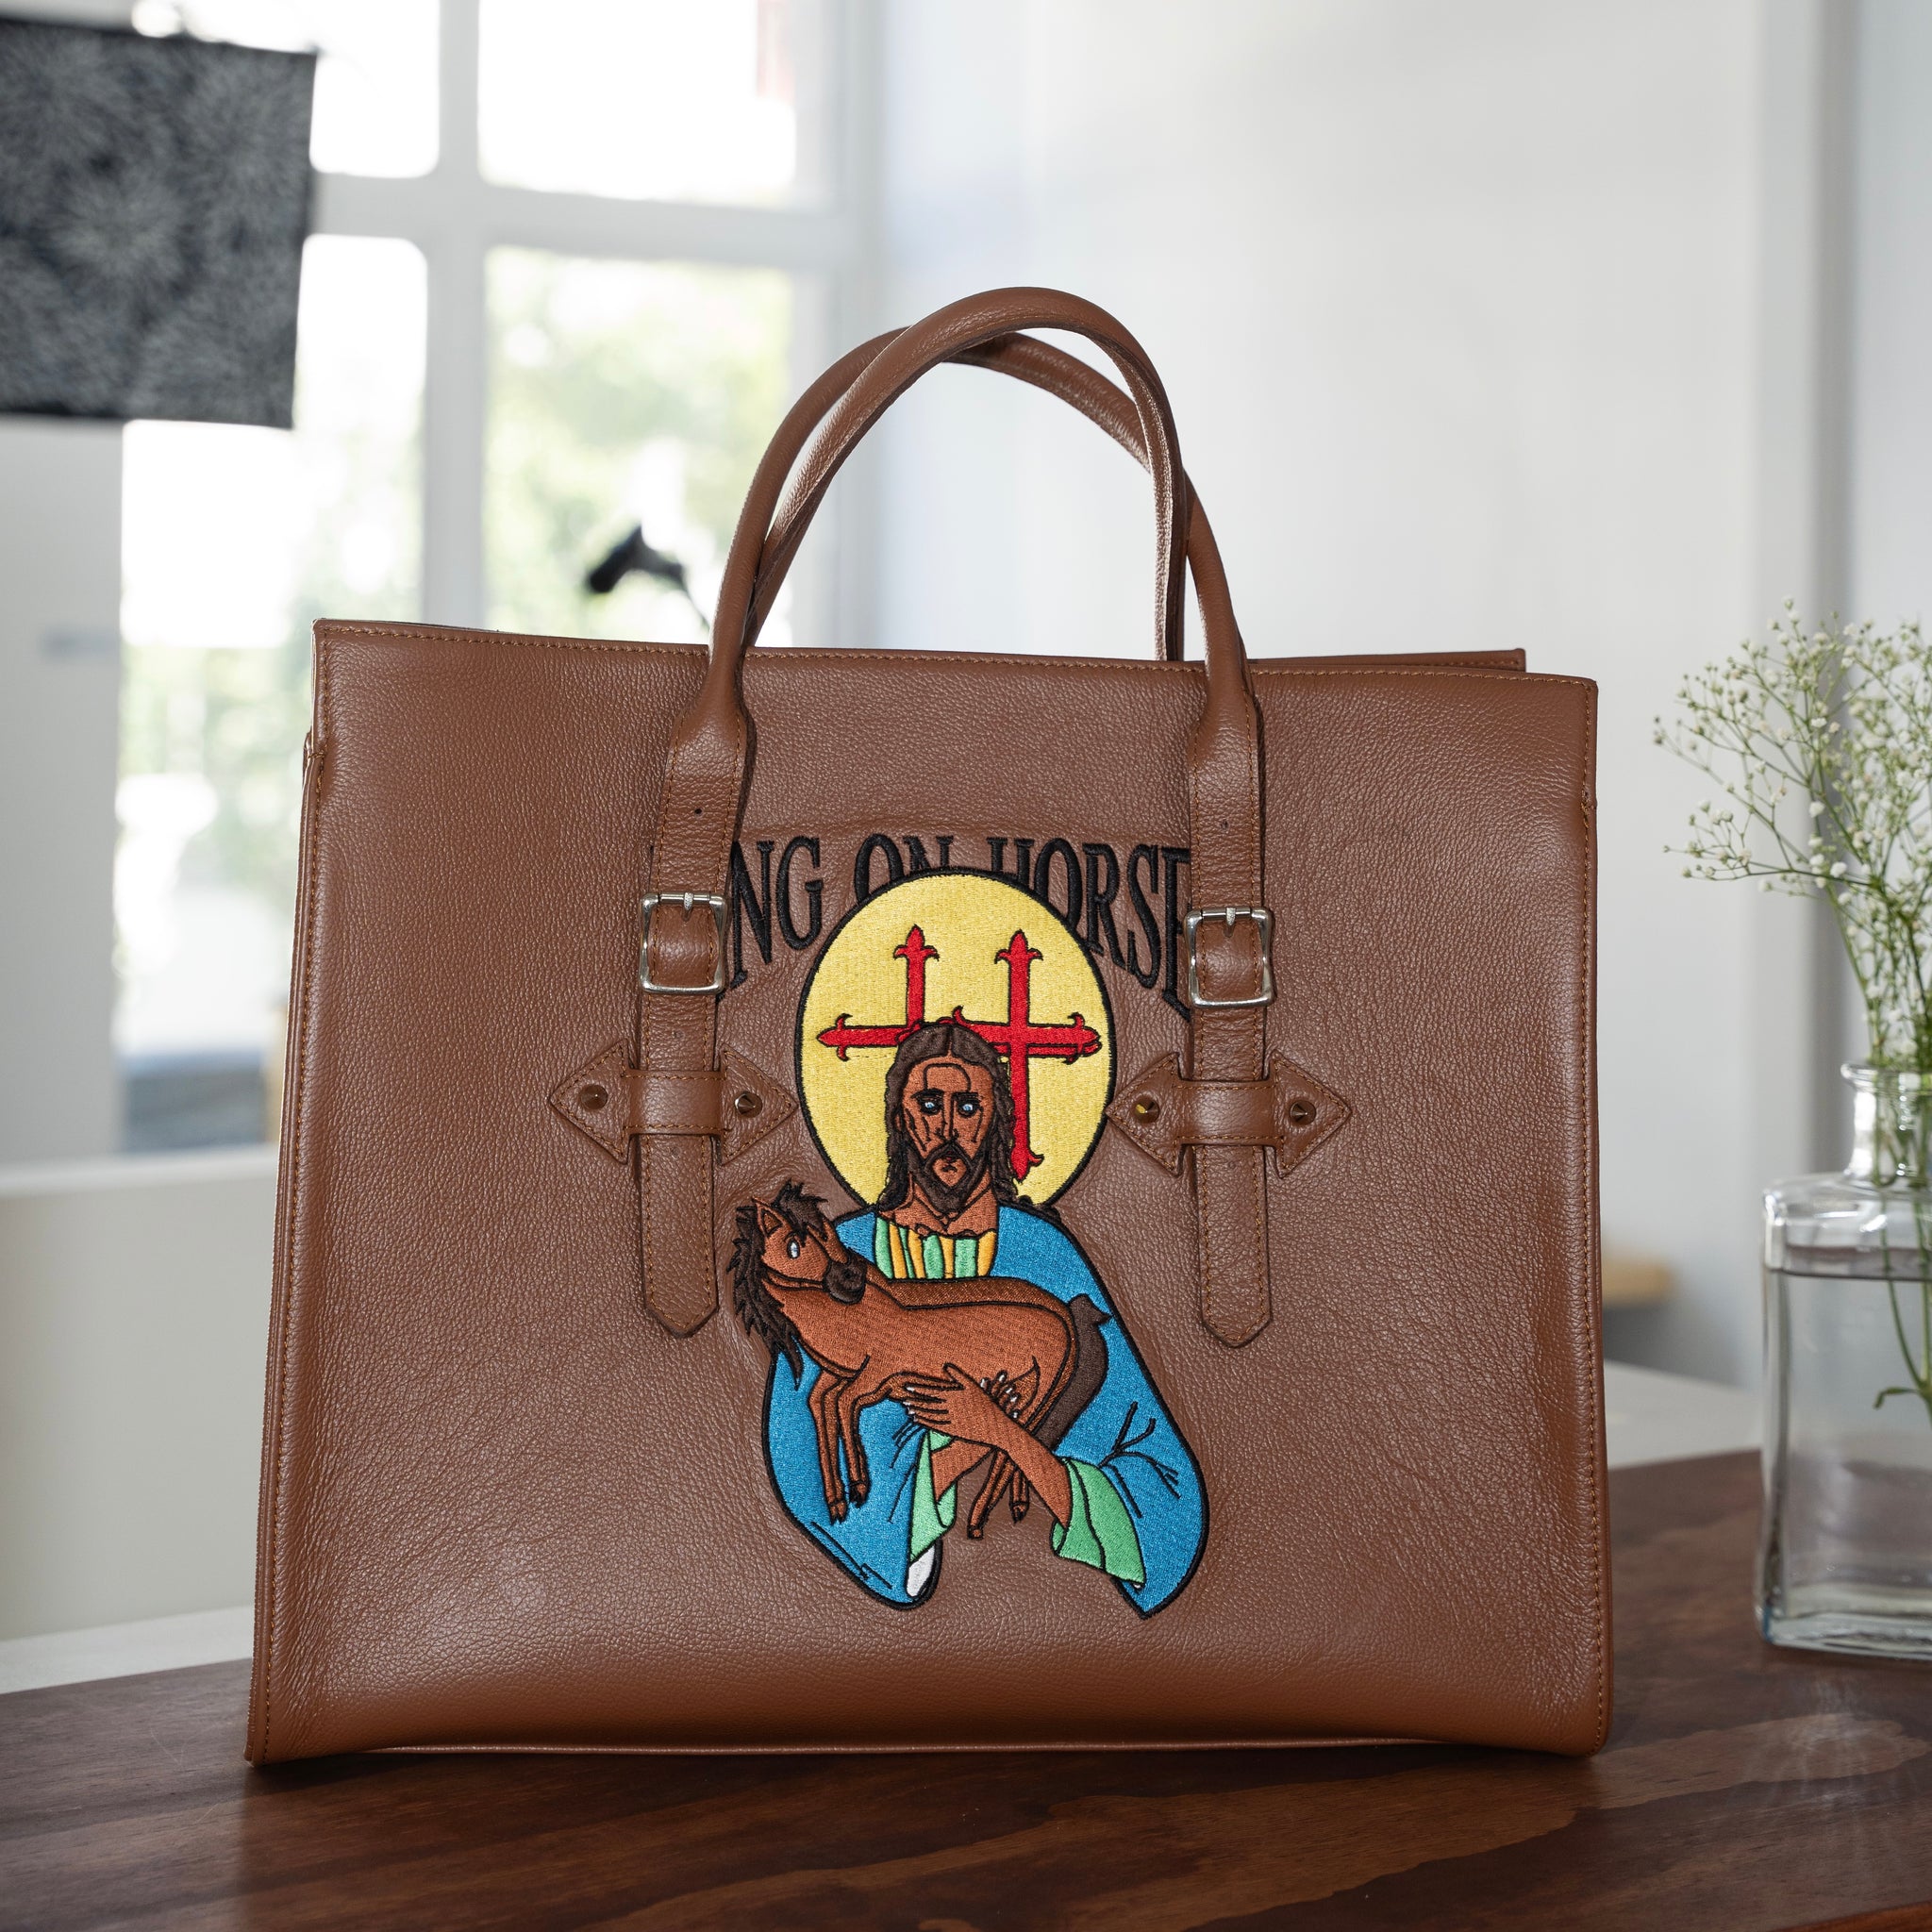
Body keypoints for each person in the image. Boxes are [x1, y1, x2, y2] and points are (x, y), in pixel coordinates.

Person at [762, 1021, 1207, 1614]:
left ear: (997, 1120)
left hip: (1057, 1620)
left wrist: (1001, 1434)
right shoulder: (838, 1258)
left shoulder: (1045, 1254)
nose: (948, 1129)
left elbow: (1161, 1493)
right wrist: (963, 1454)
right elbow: (802, 1472)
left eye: (968, 1107)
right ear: (899, 1118)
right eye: (929, 1105)